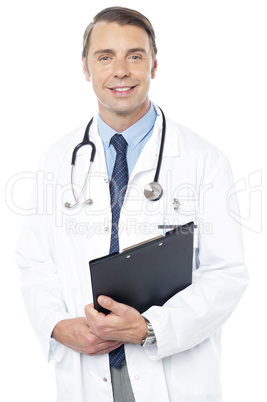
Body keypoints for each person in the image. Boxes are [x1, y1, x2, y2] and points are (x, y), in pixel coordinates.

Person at [16, 6, 248, 402]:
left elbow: (225, 274)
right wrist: (57, 325)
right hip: (87, 370)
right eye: (105, 56)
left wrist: (149, 328)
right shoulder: (57, 160)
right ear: (86, 68)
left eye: (134, 56)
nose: (120, 70)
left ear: (154, 66)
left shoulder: (202, 160)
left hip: (171, 373)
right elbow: (34, 261)